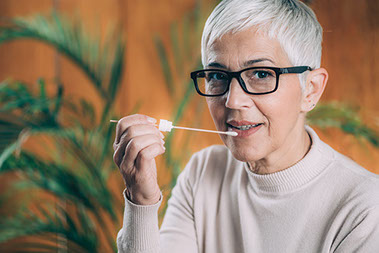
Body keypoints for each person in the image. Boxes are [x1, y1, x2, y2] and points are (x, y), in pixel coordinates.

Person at [113, 0, 379, 252]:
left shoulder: (364, 208)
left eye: (261, 74)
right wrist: (142, 202)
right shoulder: (202, 173)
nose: (234, 100)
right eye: (217, 76)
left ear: (311, 90)